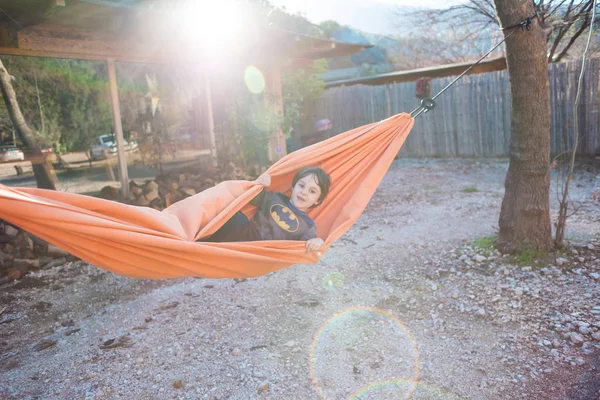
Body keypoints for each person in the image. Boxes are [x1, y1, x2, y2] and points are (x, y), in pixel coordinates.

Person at [202, 166, 331, 252]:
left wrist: (318, 241)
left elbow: (307, 244)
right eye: (301, 186)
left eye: (312, 191)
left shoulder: (307, 225)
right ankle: (203, 246)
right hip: (244, 237)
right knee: (237, 217)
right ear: (293, 187)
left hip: (263, 253)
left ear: (317, 200)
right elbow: (249, 196)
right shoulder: (274, 198)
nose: (304, 192)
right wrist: (258, 184)